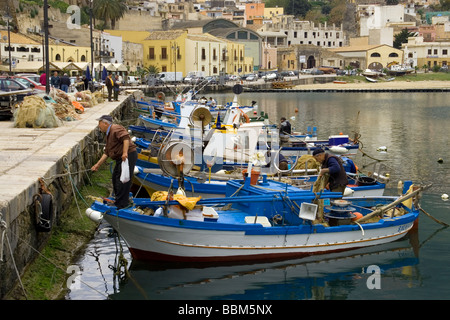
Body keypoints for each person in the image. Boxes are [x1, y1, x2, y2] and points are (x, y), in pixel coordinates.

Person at [91, 115, 138, 209]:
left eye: (99, 123)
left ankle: (121, 204)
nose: (98, 126)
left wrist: (125, 153)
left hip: (128, 156)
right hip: (121, 158)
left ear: (105, 123)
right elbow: (107, 152)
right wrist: (97, 165)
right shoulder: (108, 134)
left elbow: (125, 138)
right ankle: (119, 200)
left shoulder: (115, 128)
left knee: (123, 180)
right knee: (115, 178)